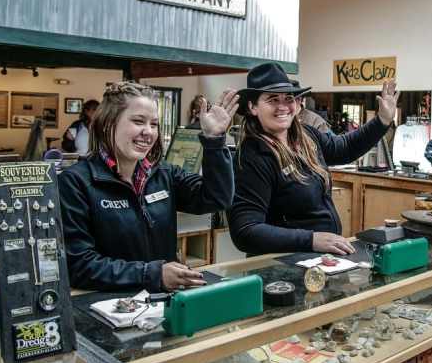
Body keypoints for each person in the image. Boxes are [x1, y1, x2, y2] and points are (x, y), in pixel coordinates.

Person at [60, 82, 238, 291]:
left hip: (162, 305)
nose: (148, 132)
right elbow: (78, 265)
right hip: (106, 309)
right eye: (138, 121)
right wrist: (152, 274)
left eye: (154, 124)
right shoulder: (76, 182)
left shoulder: (163, 174)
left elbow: (217, 198)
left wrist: (214, 141)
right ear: (109, 123)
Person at [228, 63, 398, 255]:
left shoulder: (306, 136)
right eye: (273, 99)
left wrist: (382, 120)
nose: (283, 106)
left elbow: (345, 148)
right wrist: (311, 240)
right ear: (252, 107)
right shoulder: (253, 156)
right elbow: (245, 231)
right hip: (280, 266)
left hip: (316, 260)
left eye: (288, 98)